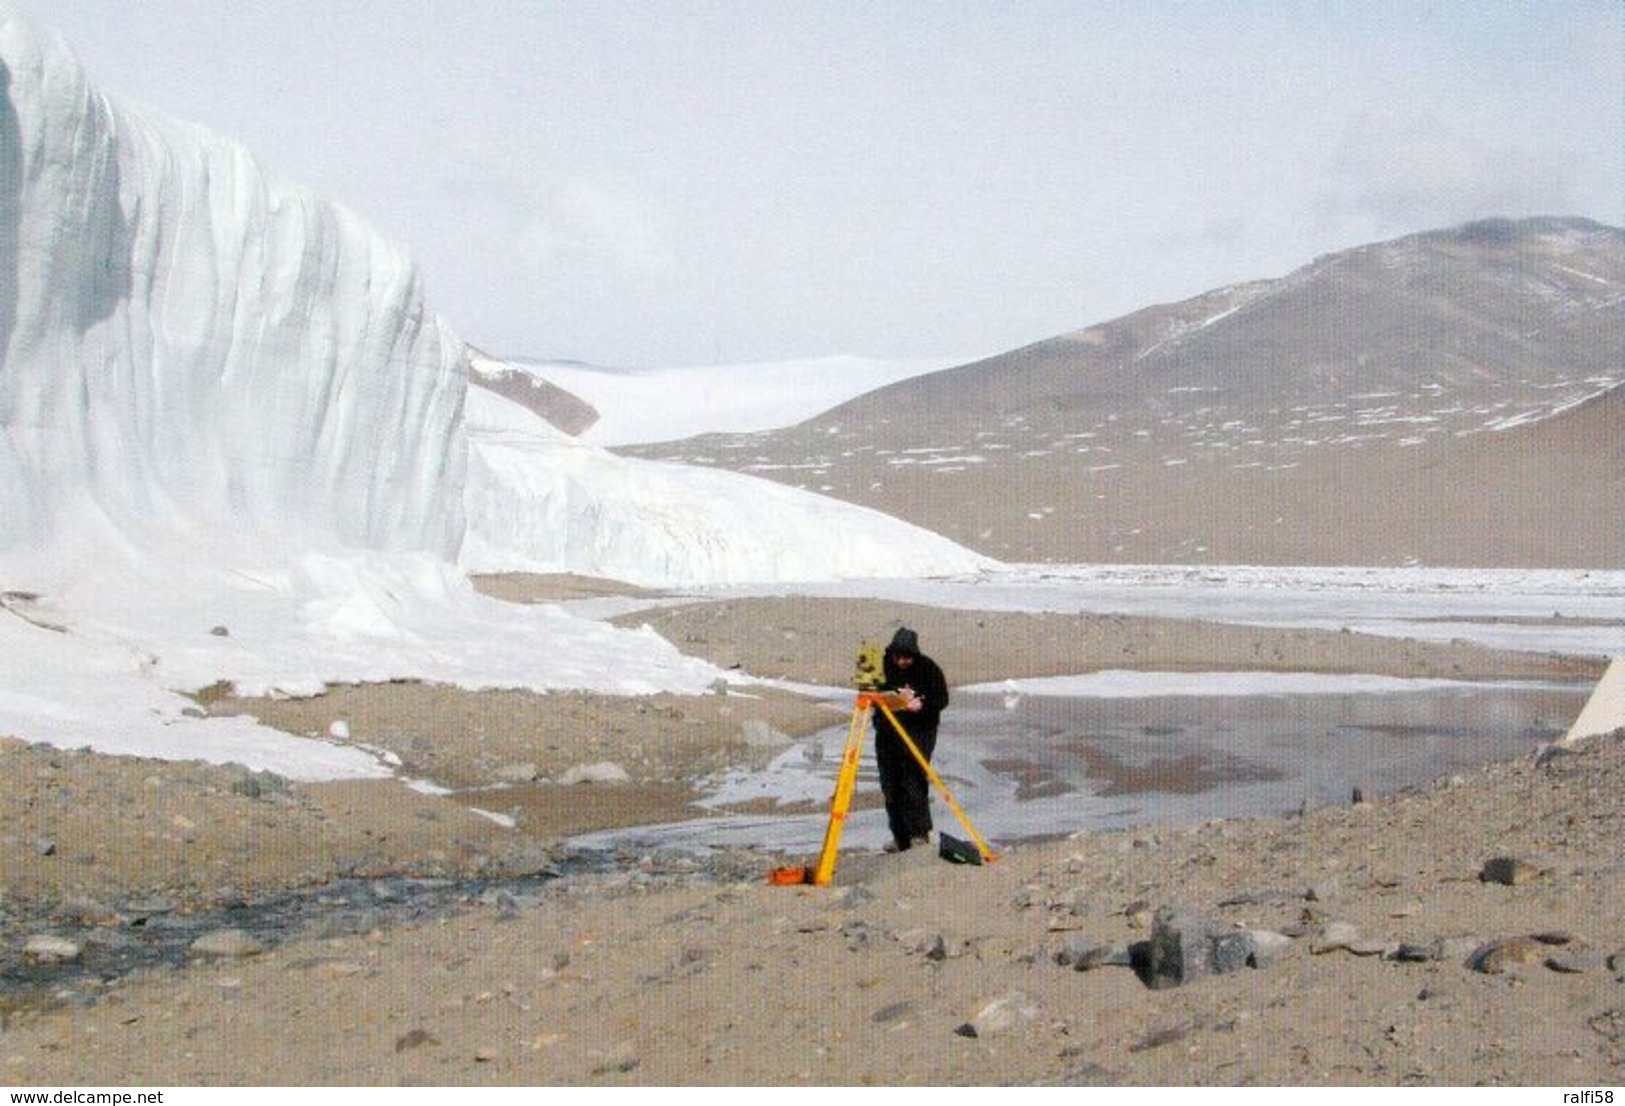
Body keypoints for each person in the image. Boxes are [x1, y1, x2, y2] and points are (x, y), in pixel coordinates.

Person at [872, 626, 949, 853]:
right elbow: (874, 692)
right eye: (899, 657)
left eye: (907, 658)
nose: (902, 662)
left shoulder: (928, 668)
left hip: (920, 731)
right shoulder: (882, 665)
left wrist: (921, 704)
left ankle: (920, 834)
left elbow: (941, 698)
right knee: (890, 785)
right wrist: (890, 697)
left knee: (912, 780)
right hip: (888, 732)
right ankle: (900, 838)